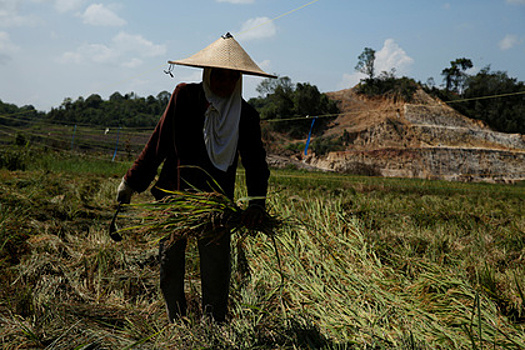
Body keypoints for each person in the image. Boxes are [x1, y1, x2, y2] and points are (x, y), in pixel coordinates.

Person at [116, 33, 274, 323]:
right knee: (170, 261)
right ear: (207, 74)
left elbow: (255, 163)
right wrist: (131, 183)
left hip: (215, 205)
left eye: (231, 78)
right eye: (218, 76)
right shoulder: (185, 97)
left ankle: (214, 324)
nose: (224, 84)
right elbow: (158, 144)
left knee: (216, 266)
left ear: (239, 79)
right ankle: (176, 320)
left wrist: (256, 204)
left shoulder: (245, 115)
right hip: (174, 197)